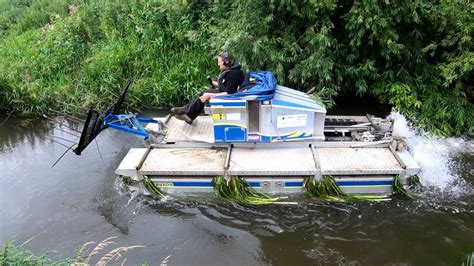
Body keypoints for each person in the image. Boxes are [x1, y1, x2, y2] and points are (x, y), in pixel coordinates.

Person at [171, 52, 244, 124]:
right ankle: (188, 114)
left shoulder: (234, 73)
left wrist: (209, 95)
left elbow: (229, 92)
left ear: (226, 62)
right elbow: (227, 85)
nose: (218, 64)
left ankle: (186, 112)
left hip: (230, 97)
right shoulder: (232, 70)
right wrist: (213, 83)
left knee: (205, 94)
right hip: (227, 93)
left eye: (219, 62)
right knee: (203, 93)